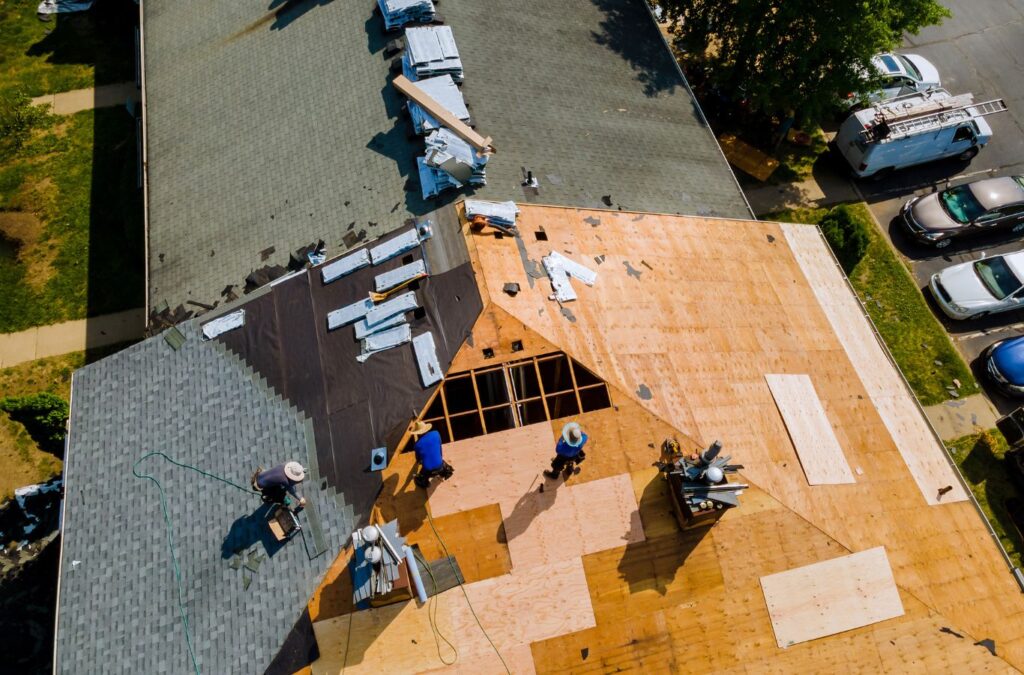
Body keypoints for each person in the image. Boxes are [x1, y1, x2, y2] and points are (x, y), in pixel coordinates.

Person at [410, 421, 454, 488]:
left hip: (428, 471)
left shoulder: (417, 445)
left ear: (417, 433)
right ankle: (446, 472)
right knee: (444, 466)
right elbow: (439, 446)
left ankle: (424, 483)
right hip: (440, 466)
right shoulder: (436, 434)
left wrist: (420, 460)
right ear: (426, 428)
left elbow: (419, 460)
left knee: (420, 478)